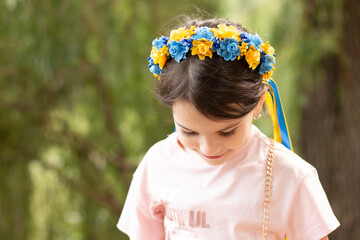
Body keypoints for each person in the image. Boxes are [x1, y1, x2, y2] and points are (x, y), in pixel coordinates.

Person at [117, 17, 340, 240]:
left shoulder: (291, 176)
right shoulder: (157, 164)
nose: (208, 149)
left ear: (258, 103)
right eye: (189, 132)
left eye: (227, 131)